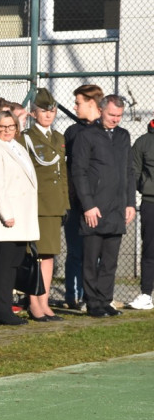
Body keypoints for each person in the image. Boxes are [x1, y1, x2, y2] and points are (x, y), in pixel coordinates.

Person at [71, 95, 136, 318]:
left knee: (110, 260)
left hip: (117, 209)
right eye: (111, 115)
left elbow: (128, 171)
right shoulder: (86, 135)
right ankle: (92, 302)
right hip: (94, 209)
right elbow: (78, 172)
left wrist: (130, 203)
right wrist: (88, 205)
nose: (115, 120)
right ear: (100, 111)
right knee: (91, 258)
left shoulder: (123, 136)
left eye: (119, 116)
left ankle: (105, 299)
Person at [0, 111, 40, 326]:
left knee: (13, 263)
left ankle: (6, 308)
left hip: (21, 217)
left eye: (10, 126)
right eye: (2, 127)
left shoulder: (18, 147)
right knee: (3, 266)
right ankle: (2, 310)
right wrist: (6, 214)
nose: (6, 131)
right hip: (6, 218)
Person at [20, 88, 68, 321]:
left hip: (54, 205)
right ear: (34, 112)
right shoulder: (27, 137)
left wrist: (65, 203)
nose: (48, 115)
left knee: (49, 256)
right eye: (43, 111)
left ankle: (45, 301)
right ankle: (34, 303)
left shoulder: (58, 138)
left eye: (52, 111)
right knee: (35, 256)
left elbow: (63, 174)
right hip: (36, 204)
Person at [64, 84, 104, 310]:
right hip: (75, 201)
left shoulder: (105, 130)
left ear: (91, 104)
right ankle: (74, 295)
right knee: (76, 251)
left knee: (97, 254)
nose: (74, 107)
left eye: (78, 102)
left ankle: (96, 296)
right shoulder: (72, 131)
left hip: (100, 202)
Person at [130, 118, 154, 310]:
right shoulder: (143, 141)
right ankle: (146, 294)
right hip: (150, 202)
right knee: (149, 251)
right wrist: (146, 188)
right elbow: (135, 171)